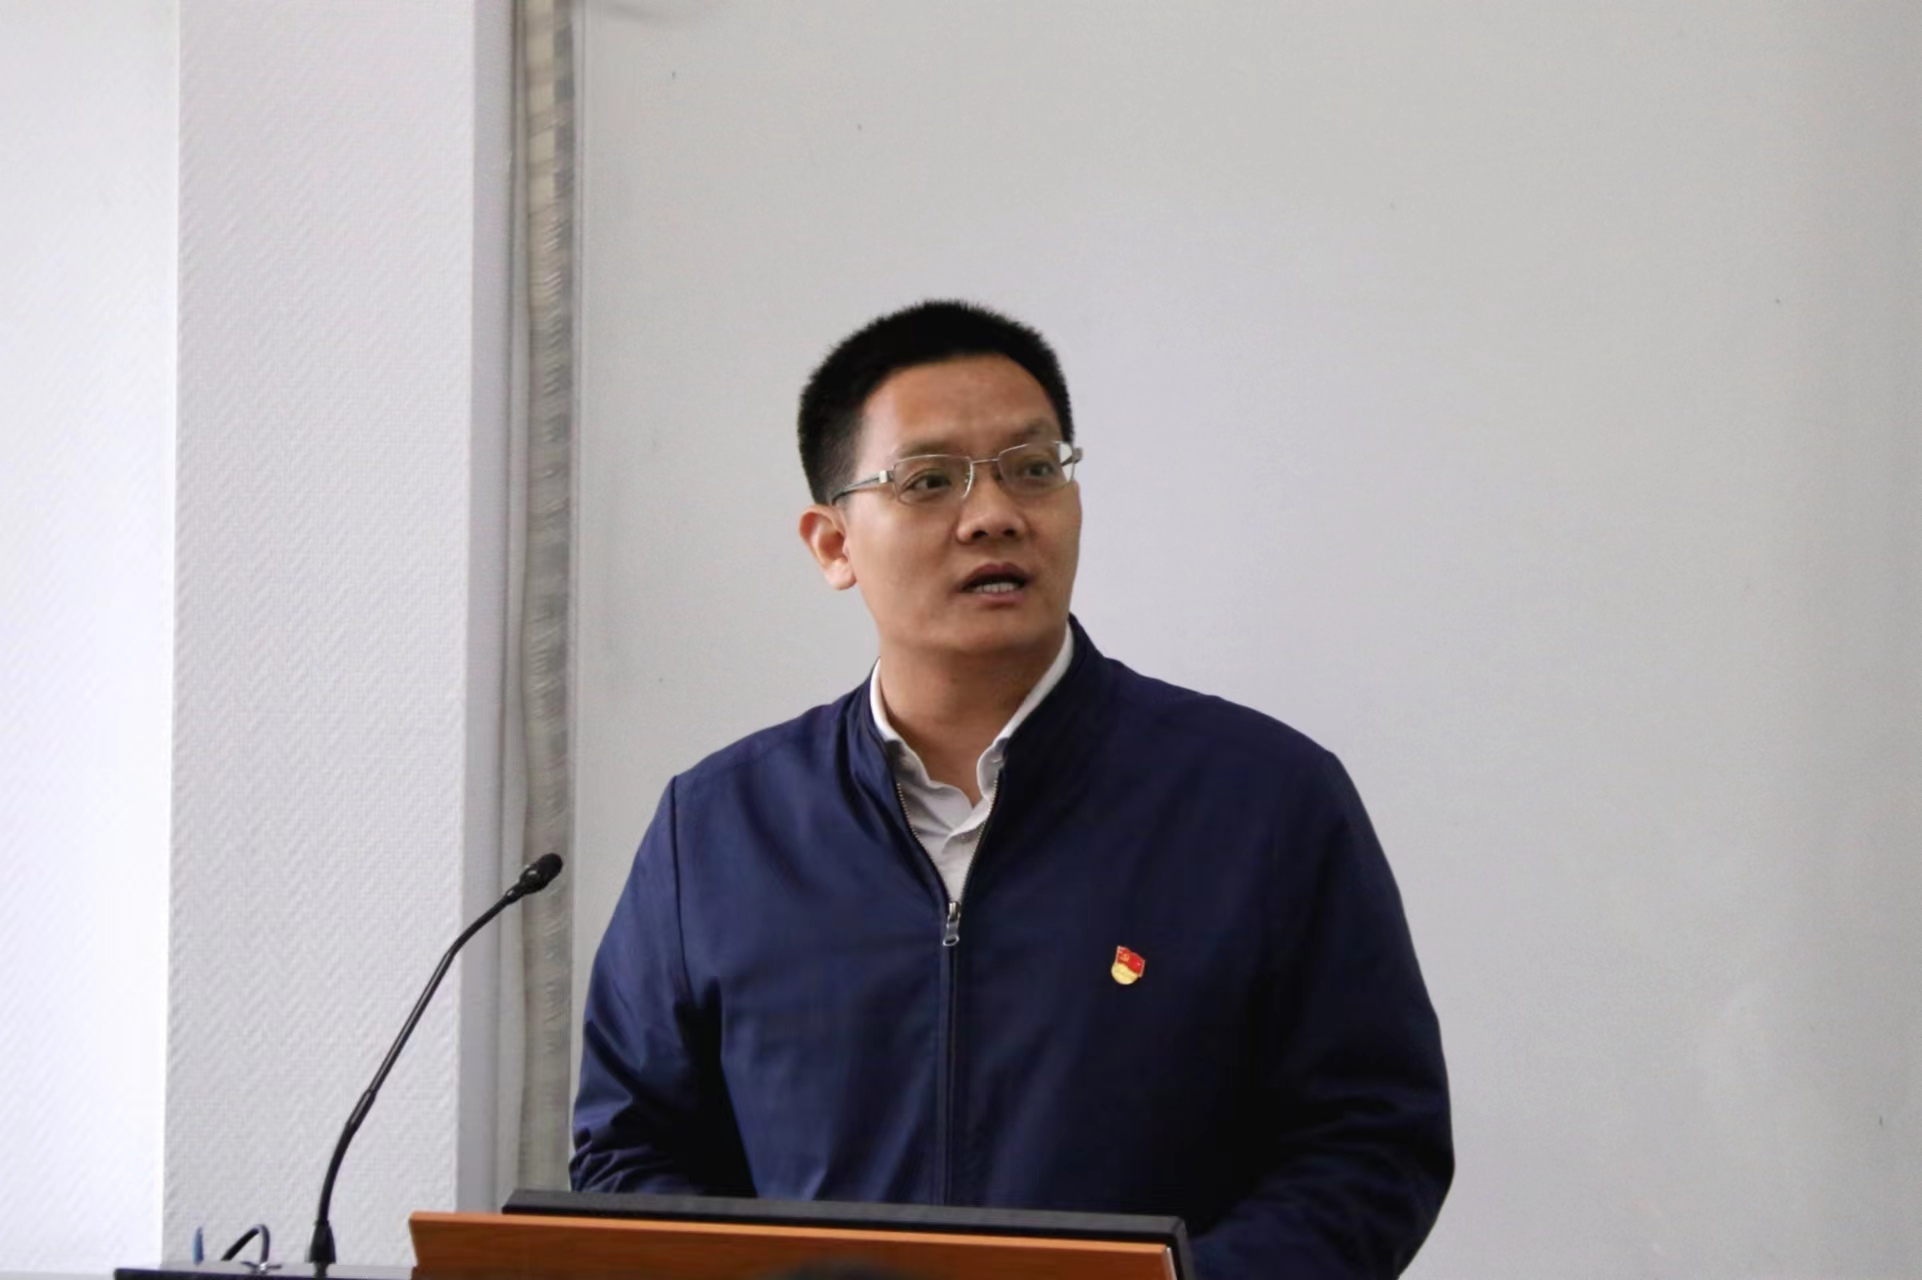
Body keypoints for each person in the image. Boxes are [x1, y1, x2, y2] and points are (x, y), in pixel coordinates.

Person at [572, 300, 1453, 1278]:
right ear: (832, 545)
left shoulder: (1263, 800)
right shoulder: (717, 829)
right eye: (928, 480)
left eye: (1033, 469)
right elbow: (628, 1154)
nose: (993, 513)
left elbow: (1371, 1142)